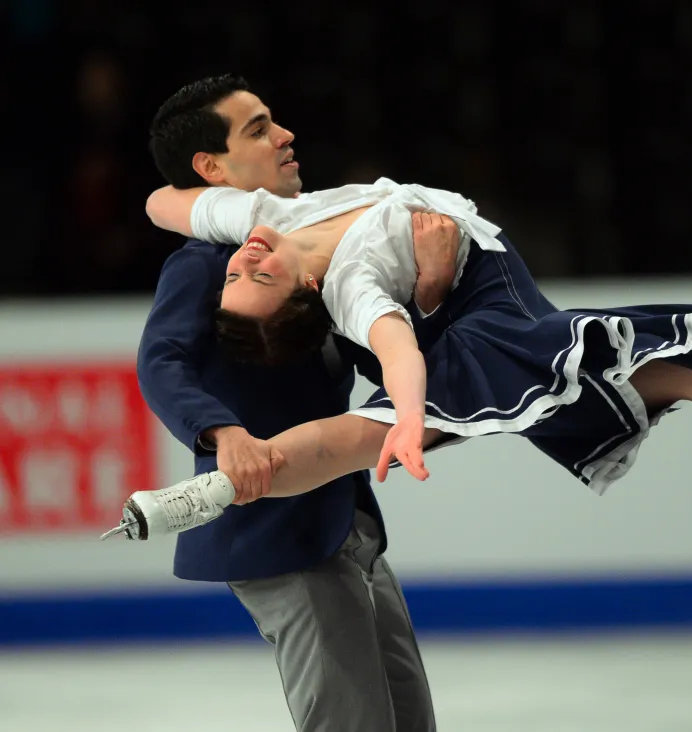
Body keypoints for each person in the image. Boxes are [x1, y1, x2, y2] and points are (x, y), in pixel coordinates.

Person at [112, 157, 692, 540]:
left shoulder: (266, 215)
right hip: (494, 325)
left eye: (235, 263)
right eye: (248, 277)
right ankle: (202, 491)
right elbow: (398, 355)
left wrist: (192, 201)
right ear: (300, 298)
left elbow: (162, 203)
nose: (243, 258)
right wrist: (405, 420)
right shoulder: (351, 285)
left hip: (494, 317)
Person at [130, 74, 454, 732]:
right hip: (279, 538)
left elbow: (382, 356)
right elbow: (160, 361)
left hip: (346, 524)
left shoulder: (307, 251)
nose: (284, 137)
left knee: (408, 720)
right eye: (258, 129)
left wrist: (432, 287)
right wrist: (224, 433)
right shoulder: (207, 264)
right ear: (211, 168)